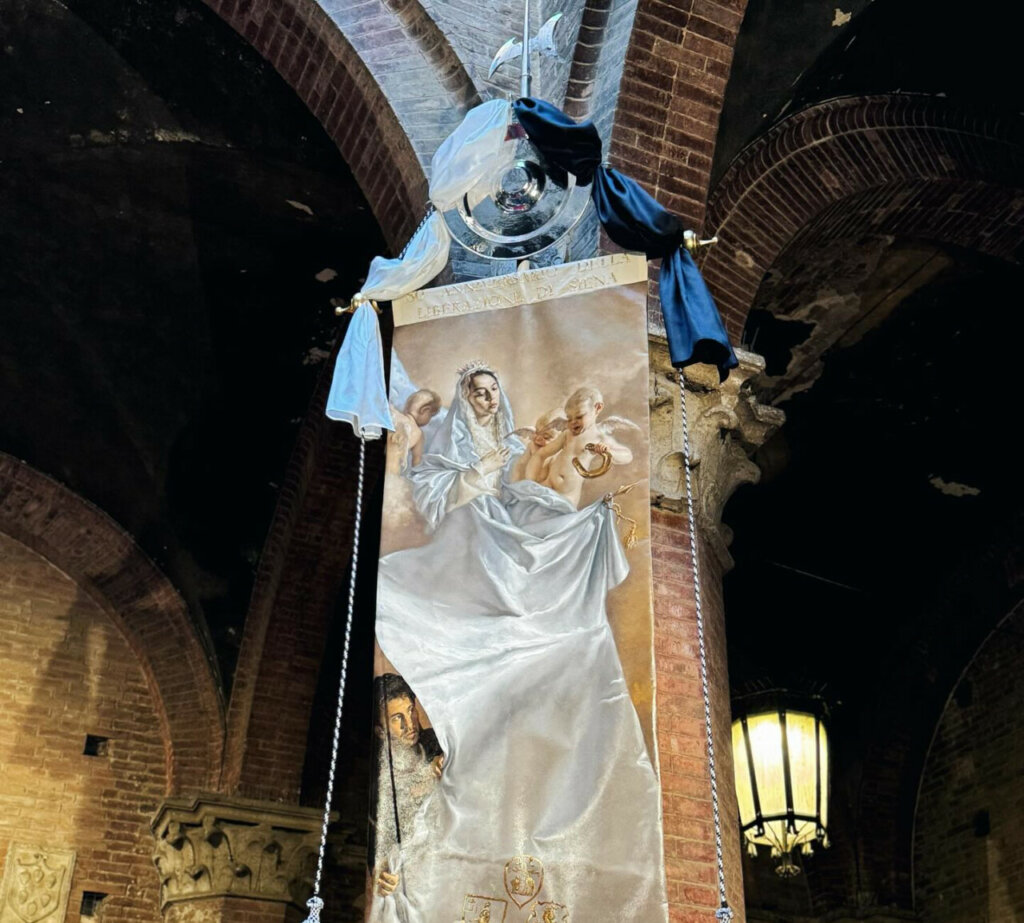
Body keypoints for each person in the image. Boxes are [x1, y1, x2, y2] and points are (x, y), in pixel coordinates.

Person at [372, 360, 667, 923]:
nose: (486, 400)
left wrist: (581, 449)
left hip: (542, 542)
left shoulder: (552, 443)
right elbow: (453, 489)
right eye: (477, 393)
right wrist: (490, 475)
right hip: (503, 536)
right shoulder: (504, 448)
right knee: (470, 547)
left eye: (492, 392)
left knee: (567, 651)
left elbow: (613, 457)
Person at [370, 674, 443, 899]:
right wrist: (381, 871)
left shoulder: (438, 743)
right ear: (380, 731)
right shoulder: (378, 780)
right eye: (397, 718)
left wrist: (447, 762)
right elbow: (379, 842)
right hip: (415, 882)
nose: (410, 724)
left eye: (411, 711)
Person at [535, 386, 634, 508]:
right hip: (548, 485)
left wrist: (608, 451)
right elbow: (545, 452)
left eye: (579, 416)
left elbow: (628, 456)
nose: (573, 422)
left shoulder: (598, 437)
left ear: (598, 408)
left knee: (557, 518)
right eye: (569, 418)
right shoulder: (567, 434)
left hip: (567, 496)